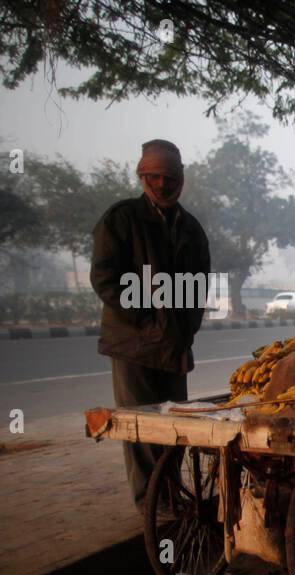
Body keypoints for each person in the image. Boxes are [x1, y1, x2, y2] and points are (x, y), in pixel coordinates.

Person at [90, 139, 211, 512]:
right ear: (142, 176)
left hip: (174, 347)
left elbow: (199, 288)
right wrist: (146, 322)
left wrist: (185, 330)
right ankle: (152, 509)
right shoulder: (122, 219)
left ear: (181, 180)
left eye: (169, 177)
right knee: (143, 431)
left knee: (172, 429)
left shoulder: (191, 229)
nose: (162, 184)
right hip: (134, 346)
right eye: (154, 176)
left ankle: (170, 500)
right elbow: (105, 279)